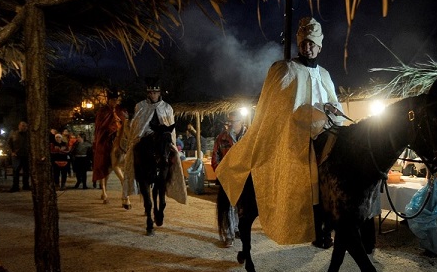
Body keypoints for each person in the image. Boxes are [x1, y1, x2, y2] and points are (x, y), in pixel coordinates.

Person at [215, 16, 345, 248]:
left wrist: (334, 110)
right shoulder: (285, 69)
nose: (308, 47)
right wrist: (315, 112)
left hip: (325, 130)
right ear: (299, 43)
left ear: (320, 46)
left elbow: (334, 101)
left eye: (312, 43)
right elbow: (281, 110)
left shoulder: (325, 75)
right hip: (295, 136)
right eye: (304, 42)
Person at [121, 80, 187, 206]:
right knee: (131, 153)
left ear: (159, 92)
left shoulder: (167, 107)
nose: (153, 95)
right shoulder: (140, 106)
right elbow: (137, 124)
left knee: (175, 155)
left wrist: (168, 138)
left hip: (162, 136)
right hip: (145, 135)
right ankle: (133, 182)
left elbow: (170, 126)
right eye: (150, 92)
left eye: (155, 92)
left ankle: (171, 182)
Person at [211, 110, 248, 247]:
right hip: (228, 178)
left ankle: (238, 229)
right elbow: (215, 157)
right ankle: (228, 234)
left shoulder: (250, 136)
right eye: (229, 122)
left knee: (242, 206)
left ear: (241, 121)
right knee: (227, 207)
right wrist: (221, 173)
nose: (231, 125)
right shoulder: (222, 138)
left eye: (234, 122)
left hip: (245, 177)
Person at [92, 89, 128, 188]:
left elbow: (126, 121)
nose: (114, 102)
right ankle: (105, 163)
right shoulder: (103, 111)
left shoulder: (121, 110)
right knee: (103, 147)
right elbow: (100, 125)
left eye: (116, 100)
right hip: (107, 134)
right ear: (108, 100)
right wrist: (111, 128)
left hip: (121, 132)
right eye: (112, 100)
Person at [8, 121, 30, 192]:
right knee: (16, 171)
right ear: (19, 126)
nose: (24, 127)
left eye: (25, 126)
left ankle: (26, 185)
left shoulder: (28, 135)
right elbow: (9, 144)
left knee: (26, 171)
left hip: (26, 155)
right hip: (16, 155)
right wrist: (12, 152)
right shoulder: (14, 134)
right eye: (22, 126)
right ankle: (15, 186)